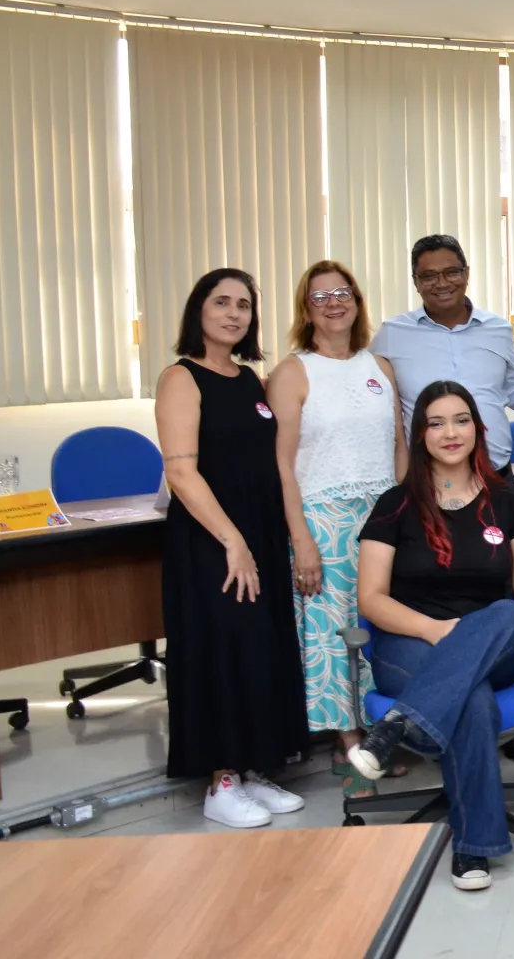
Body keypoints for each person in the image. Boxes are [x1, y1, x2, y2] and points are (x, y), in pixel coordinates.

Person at [348, 382, 514, 891]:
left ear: (478, 429)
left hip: (493, 642)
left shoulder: (506, 500)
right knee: (471, 698)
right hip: (409, 645)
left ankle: (399, 724)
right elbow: (371, 598)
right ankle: (473, 849)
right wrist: (436, 630)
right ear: (420, 434)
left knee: (507, 612)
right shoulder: (394, 505)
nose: (450, 432)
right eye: (436, 423)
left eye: (461, 420)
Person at [154, 268, 310, 828]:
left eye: (243, 305)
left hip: (258, 534)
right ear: (198, 310)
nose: (234, 314)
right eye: (221, 302)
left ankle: (251, 769)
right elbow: (181, 471)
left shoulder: (248, 379)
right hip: (212, 541)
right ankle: (220, 782)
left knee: (258, 650)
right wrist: (232, 541)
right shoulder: (181, 378)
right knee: (221, 652)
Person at [270, 261, 408, 799]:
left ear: (357, 301)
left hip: (383, 515)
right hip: (323, 521)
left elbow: (398, 446)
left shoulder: (380, 367)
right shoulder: (293, 372)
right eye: (320, 296)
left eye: (342, 292)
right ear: (306, 309)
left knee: (380, 628)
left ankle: (377, 735)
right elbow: (282, 465)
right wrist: (300, 538)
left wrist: (408, 516)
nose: (333, 303)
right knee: (335, 638)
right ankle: (349, 748)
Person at [373, 234, 514, 477]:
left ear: (466, 273)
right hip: (427, 481)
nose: (442, 283)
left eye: (451, 272)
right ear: (416, 282)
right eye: (429, 276)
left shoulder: (498, 329)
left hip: (496, 476)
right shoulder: (392, 334)